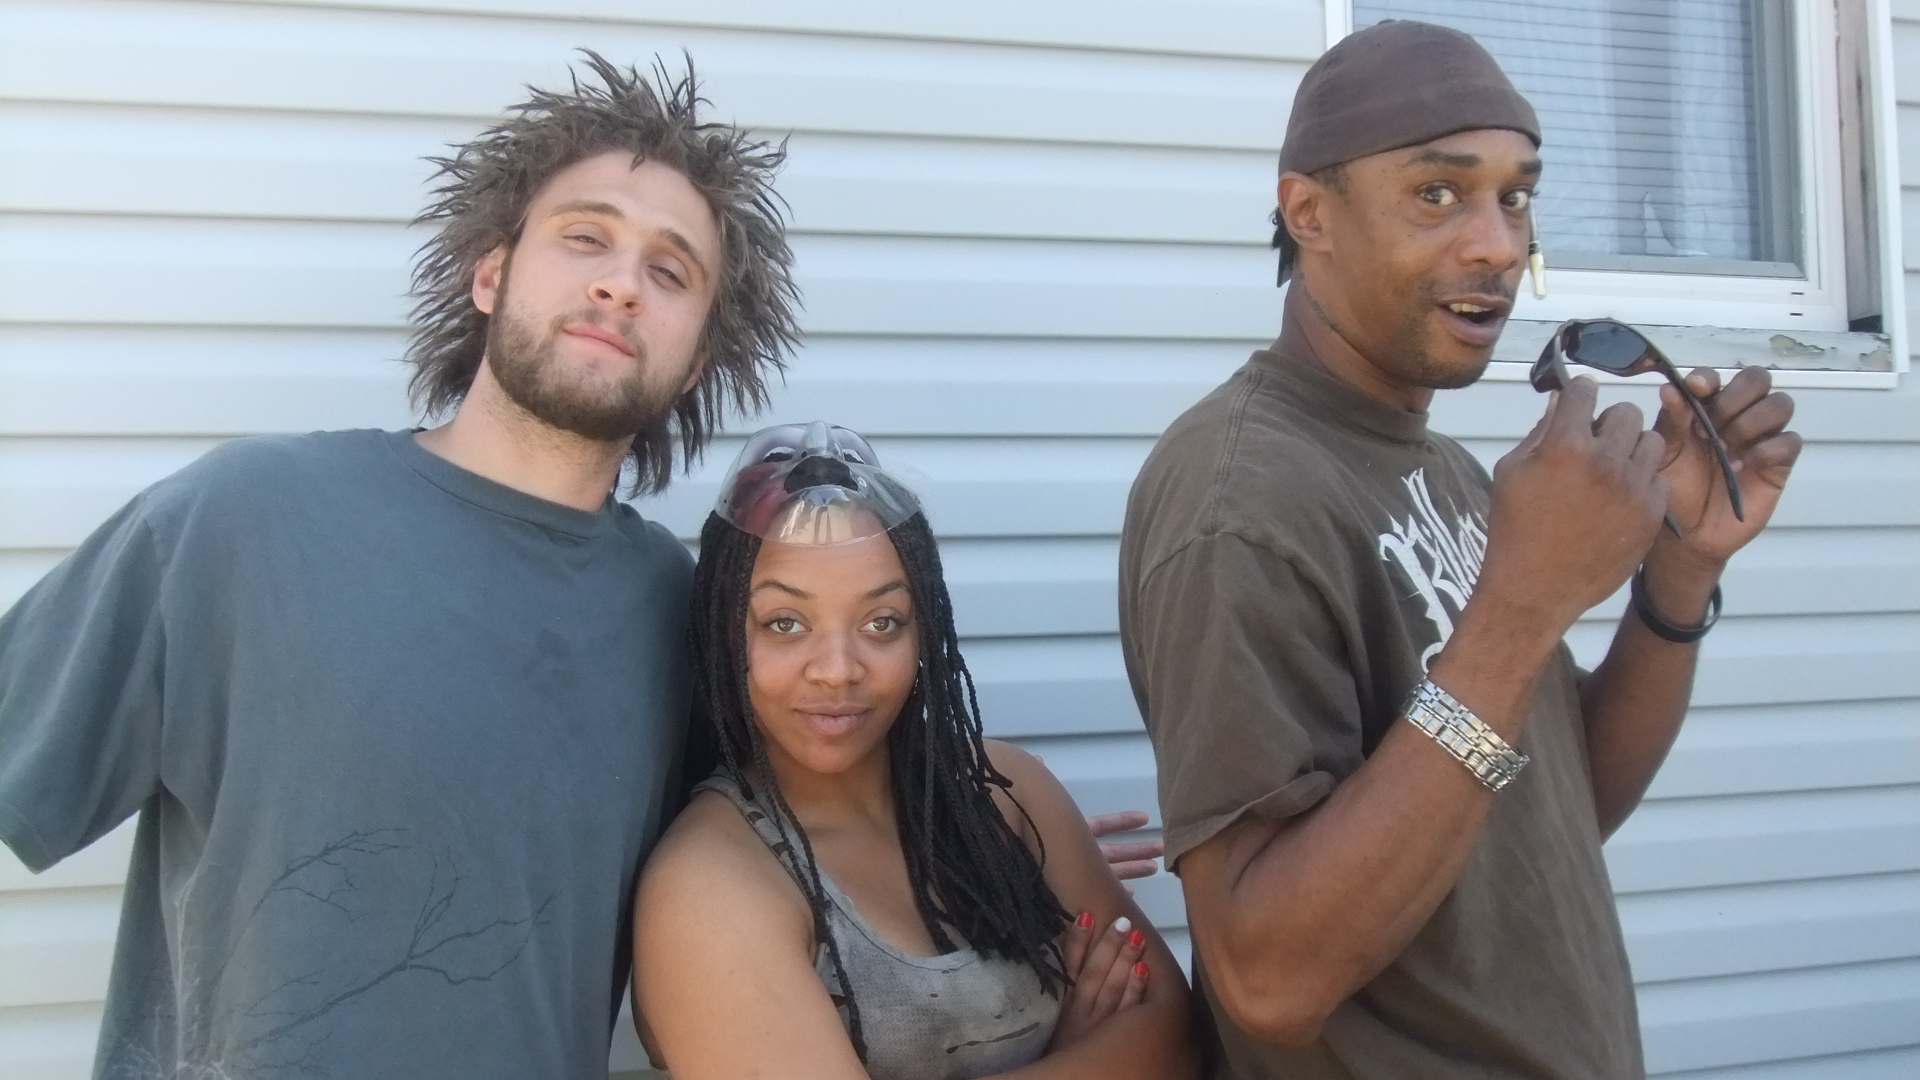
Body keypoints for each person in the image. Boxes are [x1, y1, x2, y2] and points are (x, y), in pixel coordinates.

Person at [1119, 20, 1801, 1080]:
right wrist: (1522, 607)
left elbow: (1559, 803)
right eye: (1438, 193)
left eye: (1515, 197)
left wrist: (1679, 572)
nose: (1497, 245)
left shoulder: (1445, 469)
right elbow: (1268, 979)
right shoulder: (1240, 502)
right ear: (1309, 214)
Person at [633, 423, 1196, 1080]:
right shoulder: (706, 887)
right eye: (784, 623)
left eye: (882, 622)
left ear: (923, 630)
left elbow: (1178, 1038)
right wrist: (1078, 1052)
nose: (838, 670)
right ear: (725, 635)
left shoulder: (1009, 794)